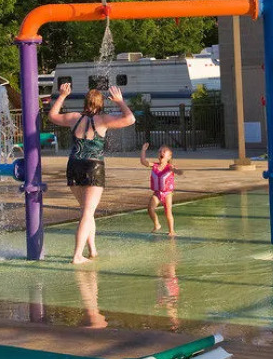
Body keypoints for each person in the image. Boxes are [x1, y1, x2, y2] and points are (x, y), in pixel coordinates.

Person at [48, 82, 135, 264]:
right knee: (88, 212)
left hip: (73, 166)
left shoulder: (74, 117)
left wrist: (62, 95)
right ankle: (77, 255)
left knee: (86, 211)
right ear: (101, 103)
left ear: (85, 102)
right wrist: (120, 101)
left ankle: (92, 250)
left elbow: (52, 116)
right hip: (93, 167)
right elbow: (130, 119)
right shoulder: (103, 119)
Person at [140, 142, 183, 236]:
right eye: (160, 151)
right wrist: (143, 150)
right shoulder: (154, 165)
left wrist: (177, 171)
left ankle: (171, 231)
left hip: (167, 193)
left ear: (169, 156)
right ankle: (157, 224)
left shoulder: (170, 167)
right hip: (157, 193)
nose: (161, 152)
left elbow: (177, 171)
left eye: (164, 151)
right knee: (150, 209)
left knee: (168, 212)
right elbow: (143, 162)